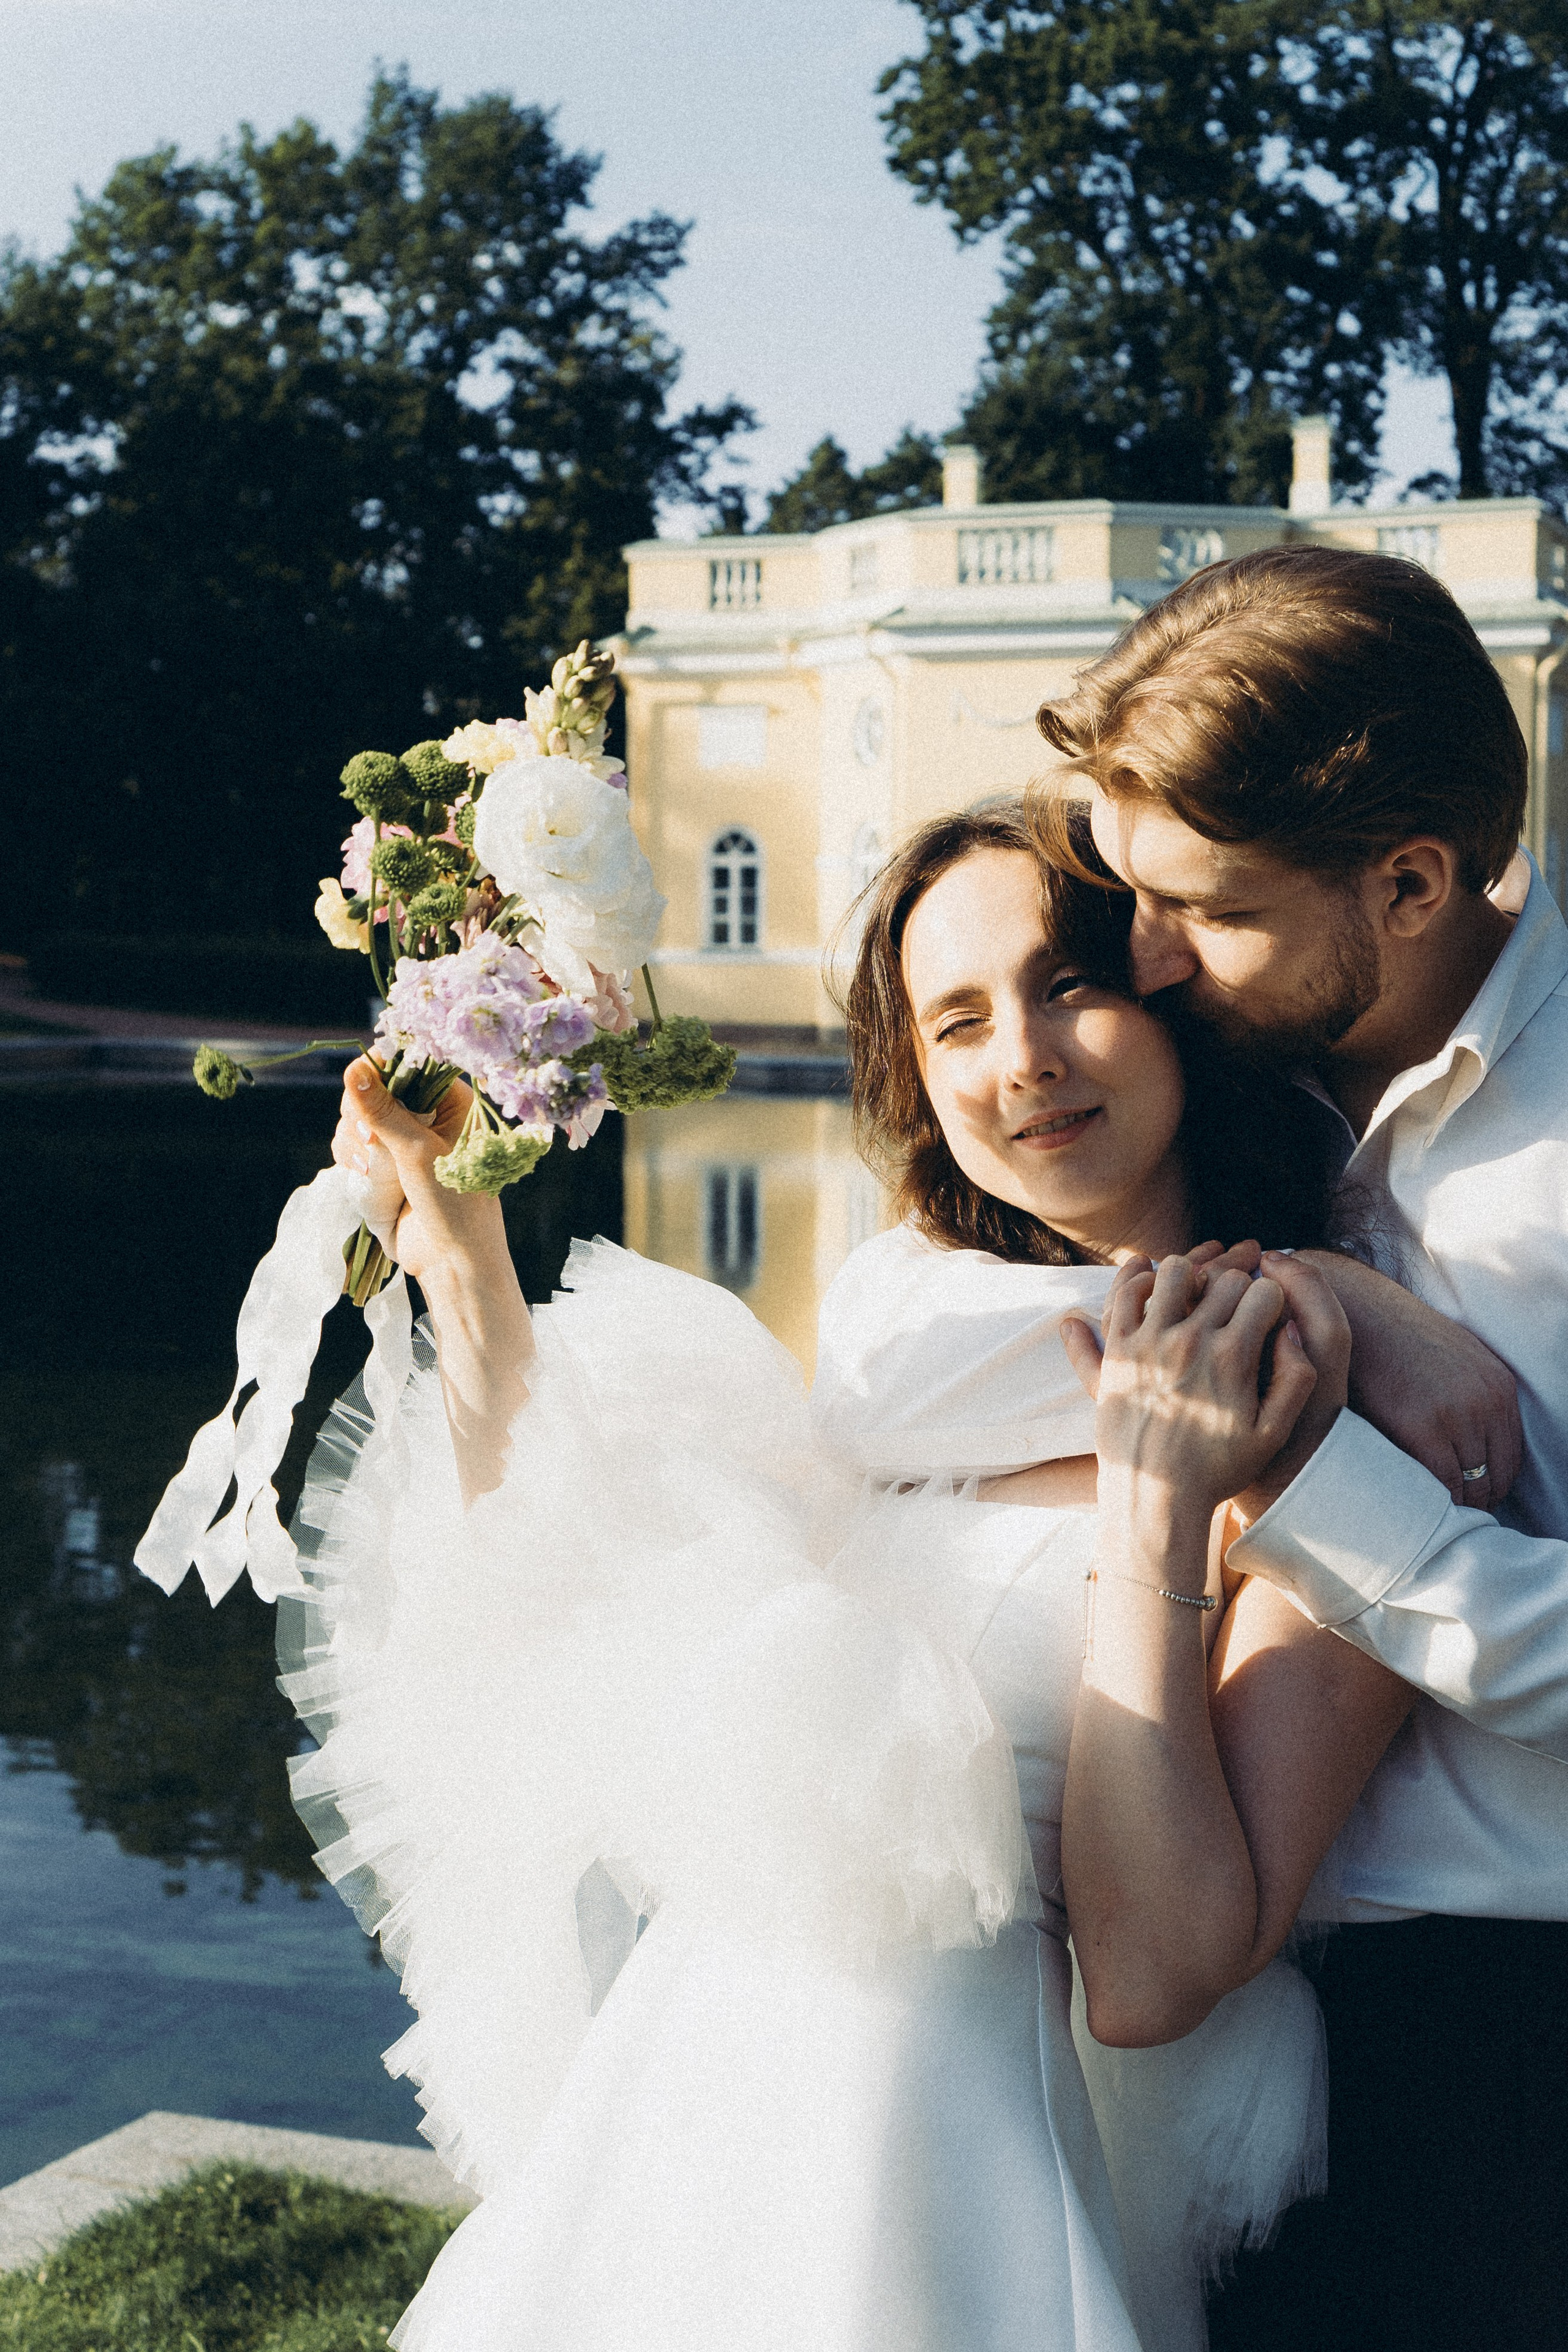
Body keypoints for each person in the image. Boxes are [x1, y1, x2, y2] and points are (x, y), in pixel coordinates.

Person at [283, 801, 1431, 2352]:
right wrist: (464, 1251)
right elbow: (578, 1623)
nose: (1016, 1059)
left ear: (1173, 993)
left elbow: (1155, 1973)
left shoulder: (1312, 1439)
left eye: (1066, 985)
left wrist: (1155, 1511)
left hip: (938, 2173)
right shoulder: (908, 1358)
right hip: (676, 2119)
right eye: (954, 1020)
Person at [1033, 541, 1568, 2351]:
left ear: (1410, 881)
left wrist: (1312, 1496)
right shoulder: (1219, 1075)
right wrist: (1331, 1290)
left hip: (1503, 2046)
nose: (1149, 959)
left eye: (1206, 906)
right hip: (1220, 2024)